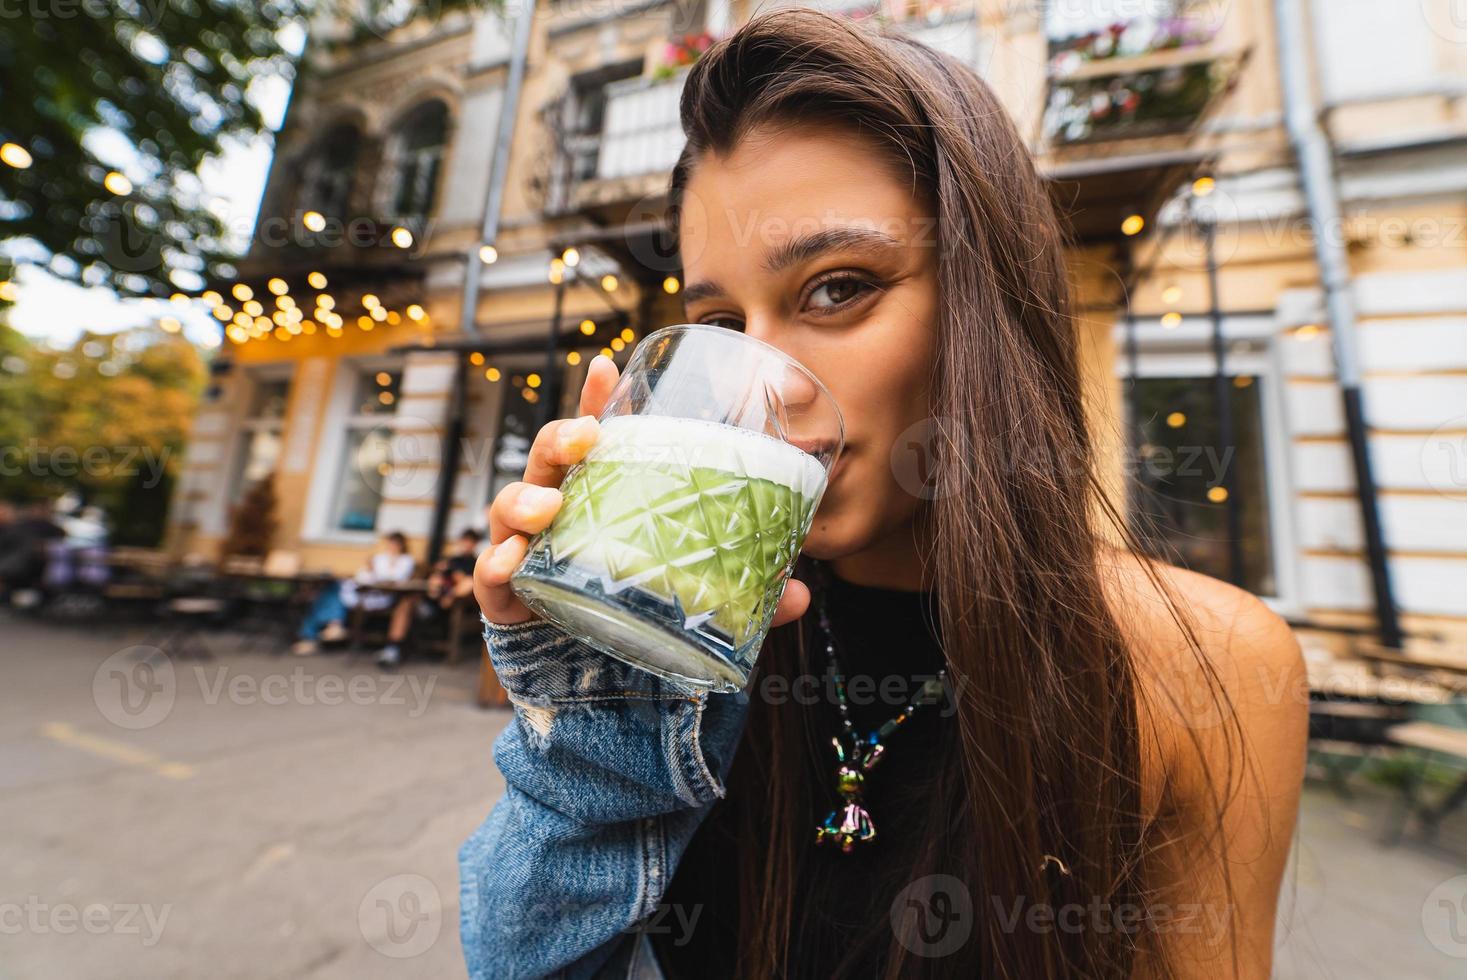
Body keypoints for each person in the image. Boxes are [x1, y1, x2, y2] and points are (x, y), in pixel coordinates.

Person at [461, 11, 1307, 980]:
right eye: (721, 321)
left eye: (838, 288)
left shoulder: (1202, 663)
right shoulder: (699, 638)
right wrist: (591, 739)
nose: (766, 382)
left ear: (983, 301)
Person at [292, 531, 415, 655]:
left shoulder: (406, 560)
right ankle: (330, 627)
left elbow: (396, 579)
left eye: (395, 543)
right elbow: (363, 575)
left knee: (331, 593)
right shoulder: (380, 558)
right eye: (390, 543)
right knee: (329, 591)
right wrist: (369, 570)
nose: (392, 546)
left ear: (402, 545)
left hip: (378, 596)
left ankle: (321, 631)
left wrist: (375, 572)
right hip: (363, 591)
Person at [376, 528, 484, 667]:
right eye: (464, 541)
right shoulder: (450, 560)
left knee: (466, 583)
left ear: (475, 544)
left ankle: (396, 648)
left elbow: (469, 584)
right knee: (405, 603)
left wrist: (452, 590)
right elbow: (435, 578)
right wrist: (438, 577)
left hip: (453, 605)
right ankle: (393, 648)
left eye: (470, 542)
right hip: (433, 599)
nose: (466, 544)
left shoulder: (475, 563)